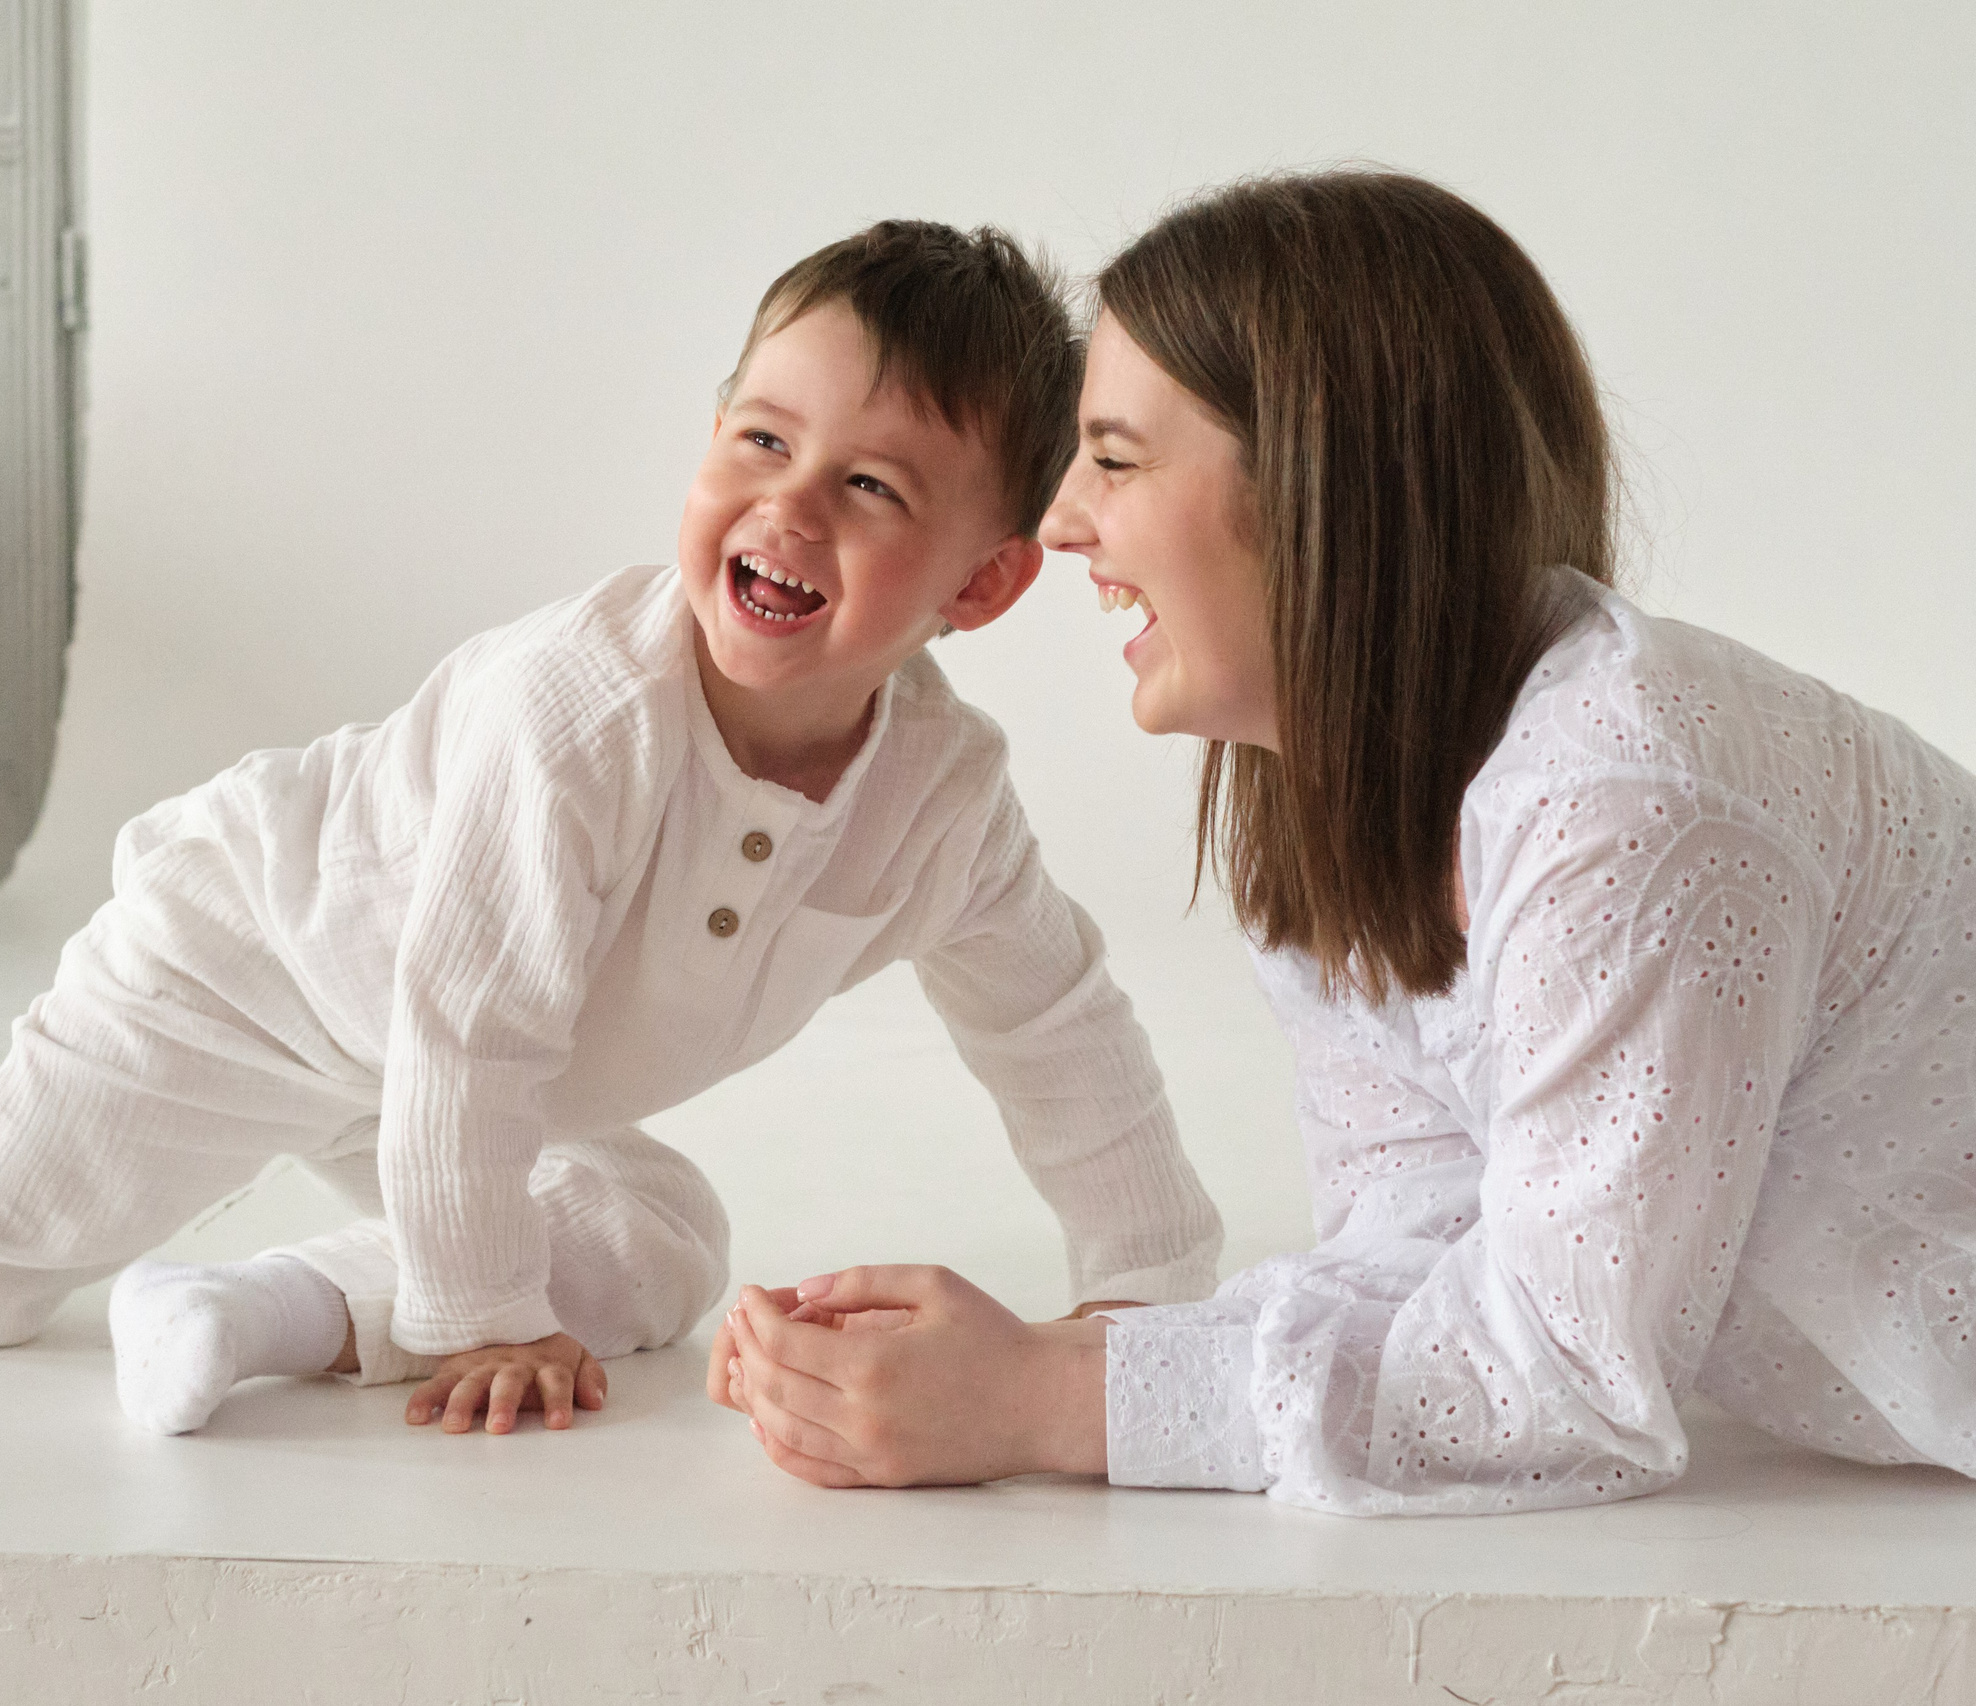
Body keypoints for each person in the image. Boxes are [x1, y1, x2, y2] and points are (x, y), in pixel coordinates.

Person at [0, 221, 1223, 1442]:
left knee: (665, 1235)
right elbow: (467, 1027)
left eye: (874, 488)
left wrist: (1148, 1285)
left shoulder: (939, 799)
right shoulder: (574, 719)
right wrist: (485, 1322)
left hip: (459, 1075)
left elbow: (1055, 1023)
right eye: (762, 440)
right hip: (249, 967)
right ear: (708, 438)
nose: (788, 504)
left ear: (986, 583)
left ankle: (252, 1308)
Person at [717, 171, 1976, 1514]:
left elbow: (1564, 1385)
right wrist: (1037, 1359)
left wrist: (1044, 1398)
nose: (1062, 517)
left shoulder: (1629, 806)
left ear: (1325, 487)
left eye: (1119, 457)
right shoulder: (1342, 796)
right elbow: (1417, 1243)